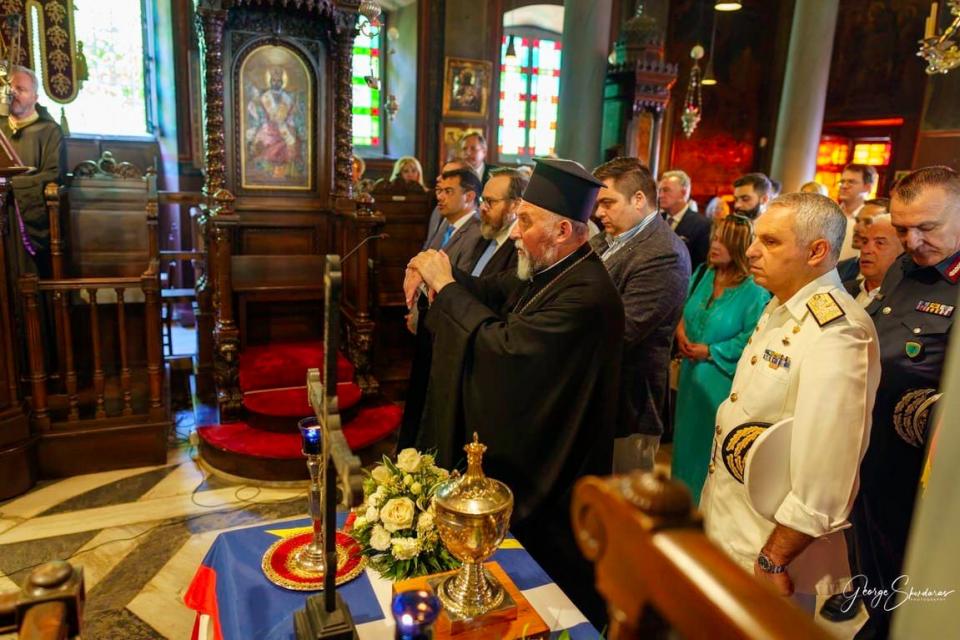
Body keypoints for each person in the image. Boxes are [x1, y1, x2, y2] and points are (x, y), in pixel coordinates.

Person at [405, 157, 624, 626]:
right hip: (534, 439)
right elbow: (483, 290)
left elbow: (506, 350)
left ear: (562, 230)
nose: (515, 234)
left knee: (549, 587)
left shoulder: (587, 292)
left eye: (525, 221)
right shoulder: (544, 268)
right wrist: (431, 267)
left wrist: (445, 288)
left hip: (558, 459)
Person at [700, 192, 880, 614]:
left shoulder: (838, 331)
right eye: (756, 238)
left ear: (816, 252)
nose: (751, 251)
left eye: (770, 242)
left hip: (768, 548)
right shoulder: (782, 305)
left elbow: (827, 471)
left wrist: (774, 557)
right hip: (730, 522)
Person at [851, 166, 960, 639]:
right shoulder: (903, 267)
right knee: (874, 579)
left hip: (925, 475)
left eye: (926, 228)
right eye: (901, 229)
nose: (911, 241)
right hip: (873, 456)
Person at [592, 157, 690, 472]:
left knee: (622, 495)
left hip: (630, 405)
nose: (598, 213)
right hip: (600, 396)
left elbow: (624, 330)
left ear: (638, 199)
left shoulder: (664, 252)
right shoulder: (604, 239)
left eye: (607, 203)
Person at [672, 215, 769, 504]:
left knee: (707, 447)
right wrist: (680, 332)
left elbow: (751, 336)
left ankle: (703, 511)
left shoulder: (754, 290)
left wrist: (711, 350)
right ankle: (681, 504)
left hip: (720, 381)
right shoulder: (703, 273)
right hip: (690, 378)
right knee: (684, 444)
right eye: (714, 238)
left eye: (724, 241)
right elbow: (683, 306)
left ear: (739, 247)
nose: (714, 245)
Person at [398, 168, 484, 449]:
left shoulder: (475, 232)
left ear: (469, 196)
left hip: (445, 317)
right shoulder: (444, 225)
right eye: (439, 191)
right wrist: (415, 310)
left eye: (449, 191)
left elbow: (459, 278)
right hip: (428, 316)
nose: (440, 197)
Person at [0, 65, 63, 278]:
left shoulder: (50, 131)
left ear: (35, 97)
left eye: (21, 89)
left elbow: (53, 174)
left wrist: (14, 184)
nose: (14, 93)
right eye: (11, 88)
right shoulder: (1, 128)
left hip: (26, 212)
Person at [468, 167, 526, 277]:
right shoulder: (486, 236)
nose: (482, 207)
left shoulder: (521, 248)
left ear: (515, 205)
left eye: (490, 201)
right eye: (482, 200)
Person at [246, 66, 300, 179]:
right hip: (268, 128)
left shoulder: (287, 99)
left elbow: (290, 118)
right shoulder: (264, 97)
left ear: (282, 82)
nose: (276, 83)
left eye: (278, 81)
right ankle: (268, 171)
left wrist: (291, 127)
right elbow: (258, 116)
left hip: (283, 127)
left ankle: (281, 172)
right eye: (273, 80)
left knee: (292, 142)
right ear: (270, 81)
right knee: (267, 141)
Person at [843, 212, 902, 306]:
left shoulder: (907, 299)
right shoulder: (842, 291)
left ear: (903, 251)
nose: (865, 250)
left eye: (879, 243)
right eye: (865, 242)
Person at [659, 169, 711, 270]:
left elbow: (699, 264)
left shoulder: (702, 225)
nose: (660, 195)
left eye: (666, 190)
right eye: (659, 191)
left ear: (683, 192)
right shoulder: (655, 220)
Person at [837, 164, 879, 261]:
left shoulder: (873, 219)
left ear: (867, 187)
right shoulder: (829, 215)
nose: (844, 186)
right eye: (842, 182)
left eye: (851, 182)